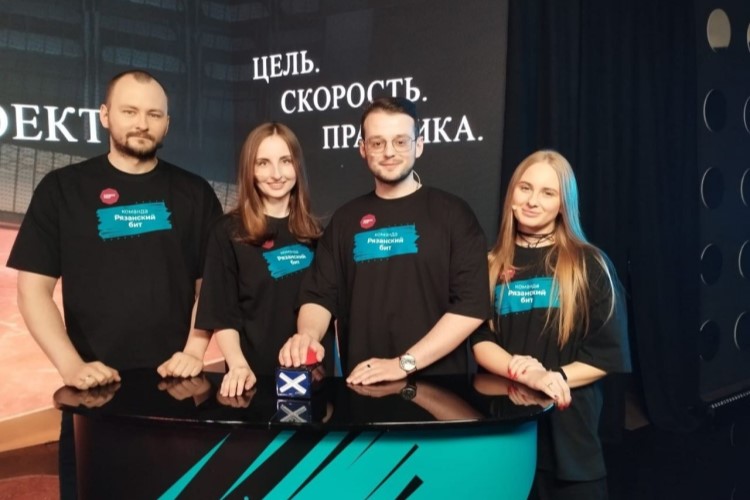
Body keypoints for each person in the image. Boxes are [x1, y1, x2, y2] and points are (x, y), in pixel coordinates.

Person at [7, 69, 222, 499]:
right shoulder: (61, 190)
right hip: (91, 394)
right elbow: (33, 291)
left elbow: (211, 287)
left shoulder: (195, 193)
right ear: (105, 115)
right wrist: (71, 366)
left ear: (167, 124)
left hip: (176, 389)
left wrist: (194, 352)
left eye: (154, 114)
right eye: (129, 111)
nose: (142, 123)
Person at [279, 96, 489, 384]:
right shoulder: (345, 220)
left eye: (401, 141)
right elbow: (318, 296)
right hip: (364, 386)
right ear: (363, 149)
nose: (389, 152)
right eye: (377, 143)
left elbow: (471, 306)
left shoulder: (454, 214)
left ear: (419, 145)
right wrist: (307, 336)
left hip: (441, 391)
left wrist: (404, 364)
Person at [470, 150, 631, 494]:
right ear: (511, 193)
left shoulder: (589, 264)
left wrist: (551, 378)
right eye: (525, 188)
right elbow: (480, 341)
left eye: (548, 193)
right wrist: (524, 372)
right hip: (508, 442)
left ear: (563, 205)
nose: (532, 201)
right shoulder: (488, 266)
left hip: (572, 445)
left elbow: (606, 354)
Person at [193, 122, 323, 397]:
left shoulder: (316, 235)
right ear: (249, 170)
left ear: (298, 166)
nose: (276, 174)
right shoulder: (227, 232)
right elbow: (221, 311)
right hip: (251, 380)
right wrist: (238, 365)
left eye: (285, 161)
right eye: (263, 163)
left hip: (312, 378)